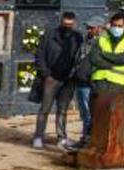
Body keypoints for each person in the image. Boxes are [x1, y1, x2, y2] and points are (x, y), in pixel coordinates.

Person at [31, 12, 83, 149]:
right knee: (45, 109)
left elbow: (79, 56)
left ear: (74, 24)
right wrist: (46, 73)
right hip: (51, 78)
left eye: (70, 25)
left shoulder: (77, 37)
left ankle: (61, 137)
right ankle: (38, 136)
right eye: (65, 24)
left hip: (68, 79)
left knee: (63, 110)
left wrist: (74, 73)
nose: (67, 27)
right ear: (60, 22)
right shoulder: (49, 35)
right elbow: (39, 54)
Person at [67, 16, 104, 152]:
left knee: (90, 113)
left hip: (92, 83)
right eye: (88, 27)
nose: (89, 30)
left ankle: (89, 141)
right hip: (81, 81)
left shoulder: (102, 43)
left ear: (100, 28)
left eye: (92, 27)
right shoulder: (86, 41)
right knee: (84, 114)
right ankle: (85, 138)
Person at [90, 12, 124, 98]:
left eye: (120, 26)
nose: (116, 28)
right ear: (110, 25)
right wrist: (111, 65)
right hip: (99, 80)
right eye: (114, 25)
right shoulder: (101, 39)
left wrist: (104, 54)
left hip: (120, 82)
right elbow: (94, 58)